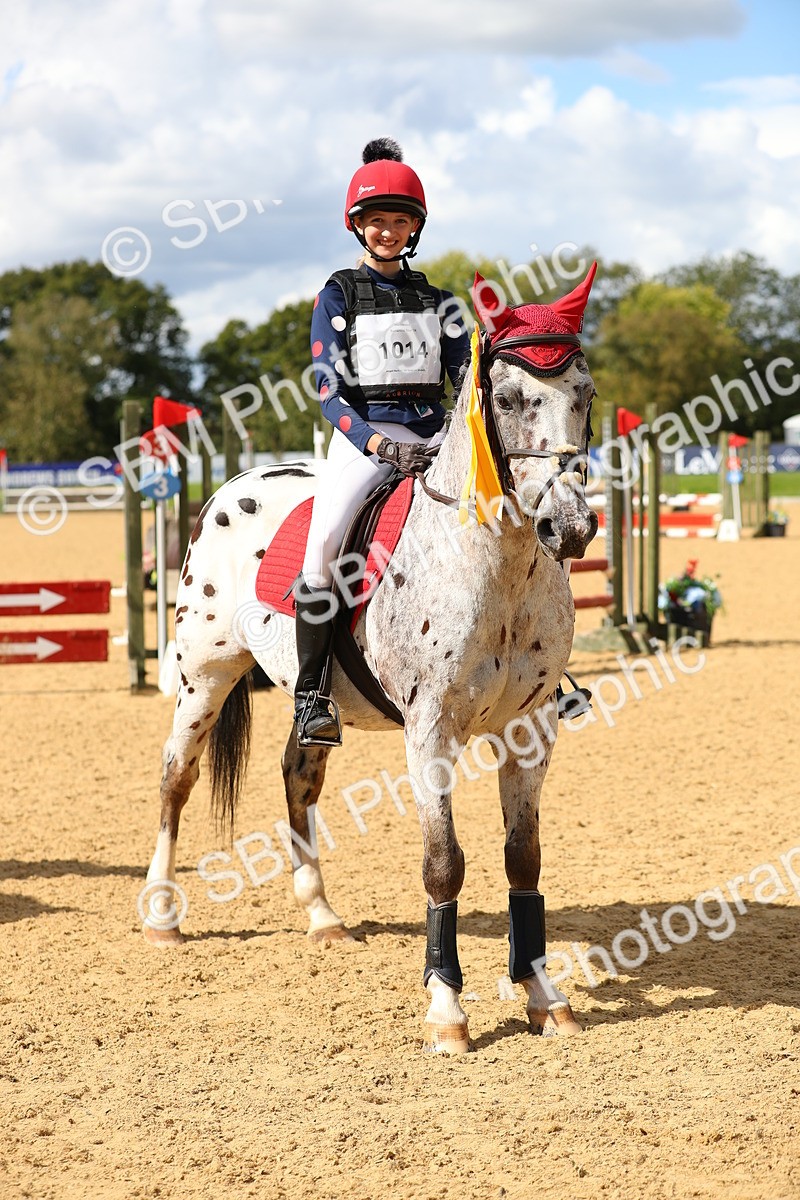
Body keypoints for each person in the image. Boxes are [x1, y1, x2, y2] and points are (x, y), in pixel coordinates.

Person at [294, 137, 470, 747]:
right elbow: (328, 390)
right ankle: (312, 696)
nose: (388, 231)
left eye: (400, 221)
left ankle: (544, 669)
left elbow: (466, 378)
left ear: (415, 227)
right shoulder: (338, 294)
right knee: (322, 548)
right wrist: (378, 447)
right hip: (364, 438)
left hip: (437, 435)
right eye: (377, 222)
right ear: (358, 227)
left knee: (510, 516)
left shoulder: (440, 301)